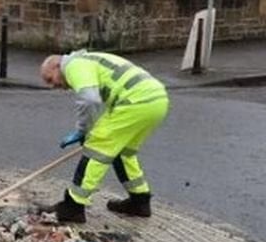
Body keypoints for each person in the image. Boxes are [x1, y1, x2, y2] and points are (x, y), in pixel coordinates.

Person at [38, 51, 170, 223]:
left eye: (50, 79)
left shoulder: (73, 65)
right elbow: (103, 101)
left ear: (57, 66)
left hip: (135, 102)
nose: (53, 85)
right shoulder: (89, 60)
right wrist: (88, 129)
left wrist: (85, 131)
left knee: (96, 150)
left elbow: (89, 100)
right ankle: (140, 201)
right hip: (156, 101)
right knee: (123, 152)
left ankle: (73, 207)